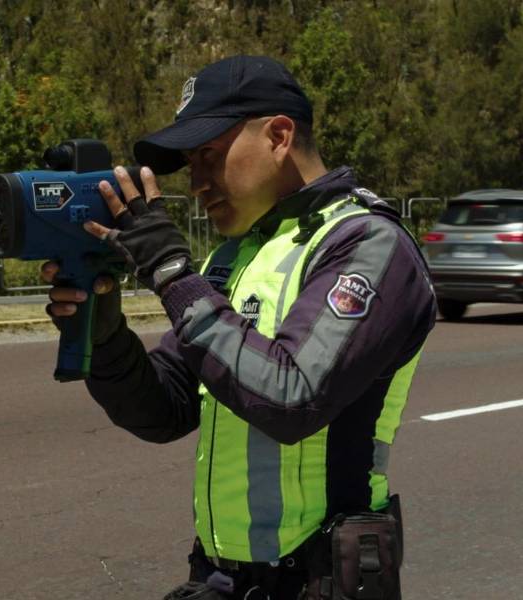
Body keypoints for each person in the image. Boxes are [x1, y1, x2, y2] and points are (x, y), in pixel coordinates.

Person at [42, 55, 436, 599]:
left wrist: (172, 274)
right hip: (222, 578)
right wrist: (105, 330)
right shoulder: (234, 257)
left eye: (208, 154)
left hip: (320, 581)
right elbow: (164, 410)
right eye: (189, 163)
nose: (196, 183)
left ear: (278, 136)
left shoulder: (368, 245)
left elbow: (292, 397)